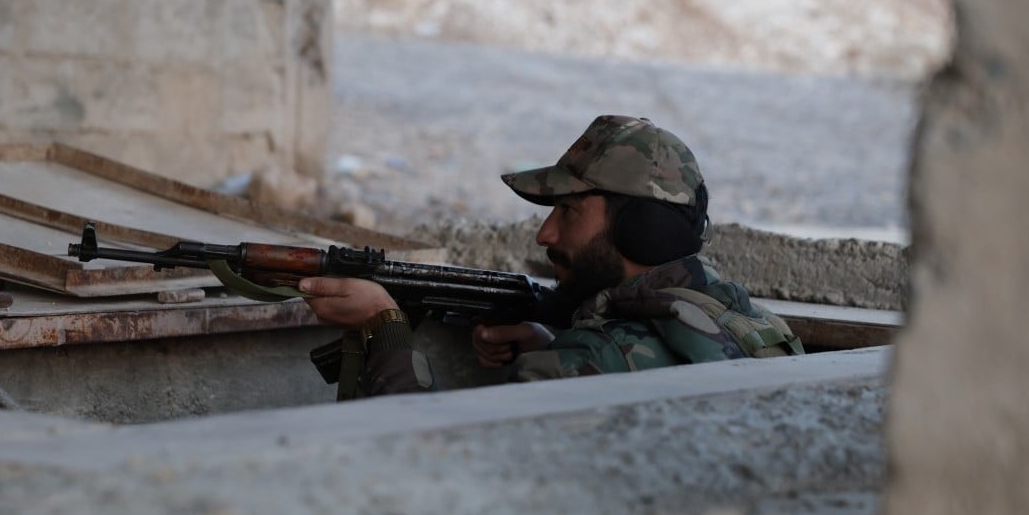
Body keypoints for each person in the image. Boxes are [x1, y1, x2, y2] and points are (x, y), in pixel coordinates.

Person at [299, 114, 803, 398]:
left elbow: (427, 463)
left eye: (567, 211)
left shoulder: (592, 364)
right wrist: (554, 339)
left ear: (640, 229)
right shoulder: (742, 319)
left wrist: (384, 325)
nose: (545, 234)